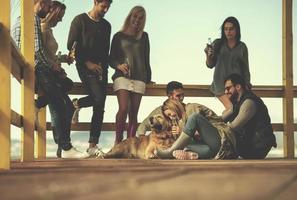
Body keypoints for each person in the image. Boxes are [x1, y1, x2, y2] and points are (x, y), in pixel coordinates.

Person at [12, 0, 86, 158]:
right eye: (48, 4)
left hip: (34, 69)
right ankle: (65, 148)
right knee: (61, 104)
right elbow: (38, 53)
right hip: (37, 71)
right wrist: (54, 67)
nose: (49, 8)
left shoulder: (30, 21)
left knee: (64, 103)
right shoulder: (33, 21)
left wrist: (59, 62)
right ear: (40, 3)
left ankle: (64, 148)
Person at [67, 0, 112, 157]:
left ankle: (93, 145)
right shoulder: (79, 20)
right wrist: (88, 63)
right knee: (98, 98)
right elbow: (70, 45)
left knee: (100, 106)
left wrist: (104, 70)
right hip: (84, 65)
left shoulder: (107, 26)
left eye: (108, 6)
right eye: (103, 6)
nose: (106, 9)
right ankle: (76, 104)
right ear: (95, 2)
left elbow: (106, 51)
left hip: (101, 69)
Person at [109, 6, 152, 144]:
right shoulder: (118, 36)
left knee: (133, 113)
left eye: (140, 18)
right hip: (122, 77)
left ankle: (131, 143)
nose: (137, 20)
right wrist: (118, 66)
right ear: (130, 16)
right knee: (123, 108)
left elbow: (146, 59)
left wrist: (149, 78)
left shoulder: (144, 36)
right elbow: (110, 58)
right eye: (135, 16)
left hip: (140, 78)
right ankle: (118, 142)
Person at [35, 1, 74, 144]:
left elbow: (50, 54)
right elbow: (40, 54)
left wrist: (63, 59)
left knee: (67, 108)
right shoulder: (43, 28)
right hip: (48, 74)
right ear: (53, 14)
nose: (61, 19)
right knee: (63, 108)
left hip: (52, 72)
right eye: (60, 16)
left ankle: (63, 145)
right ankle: (64, 145)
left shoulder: (48, 30)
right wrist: (53, 66)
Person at [155, 99, 236, 160]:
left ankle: (171, 152)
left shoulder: (191, 108)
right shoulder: (180, 121)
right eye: (168, 116)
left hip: (222, 140)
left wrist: (181, 131)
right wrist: (177, 135)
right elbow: (190, 139)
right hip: (214, 150)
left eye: (170, 113)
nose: (171, 117)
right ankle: (191, 155)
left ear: (174, 107)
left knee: (195, 117)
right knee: (181, 146)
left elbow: (199, 134)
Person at [222, 73, 277, 159]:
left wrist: (216, 129)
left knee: (224, 134)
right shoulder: (238, 103)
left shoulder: (249, 102)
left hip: (257, 147)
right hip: (252, 144)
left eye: (228, 88)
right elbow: (222, 118)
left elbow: (233, 127)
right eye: (225, 89)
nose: (226, 92)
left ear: (238, 87)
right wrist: (211, 124)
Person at [204, 16, 251, 112]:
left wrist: (246, 84)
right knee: (232, 110)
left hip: (236, 85)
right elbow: (210, 65)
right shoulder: (217, 44)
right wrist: (207, 55)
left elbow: (245, 68)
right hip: (220, 84)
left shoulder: (242, 47)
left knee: (238, 111)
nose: (228, 32)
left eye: (231, 29)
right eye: (226, 29)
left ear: (236, 30)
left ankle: (226, 125)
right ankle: (222, 125)